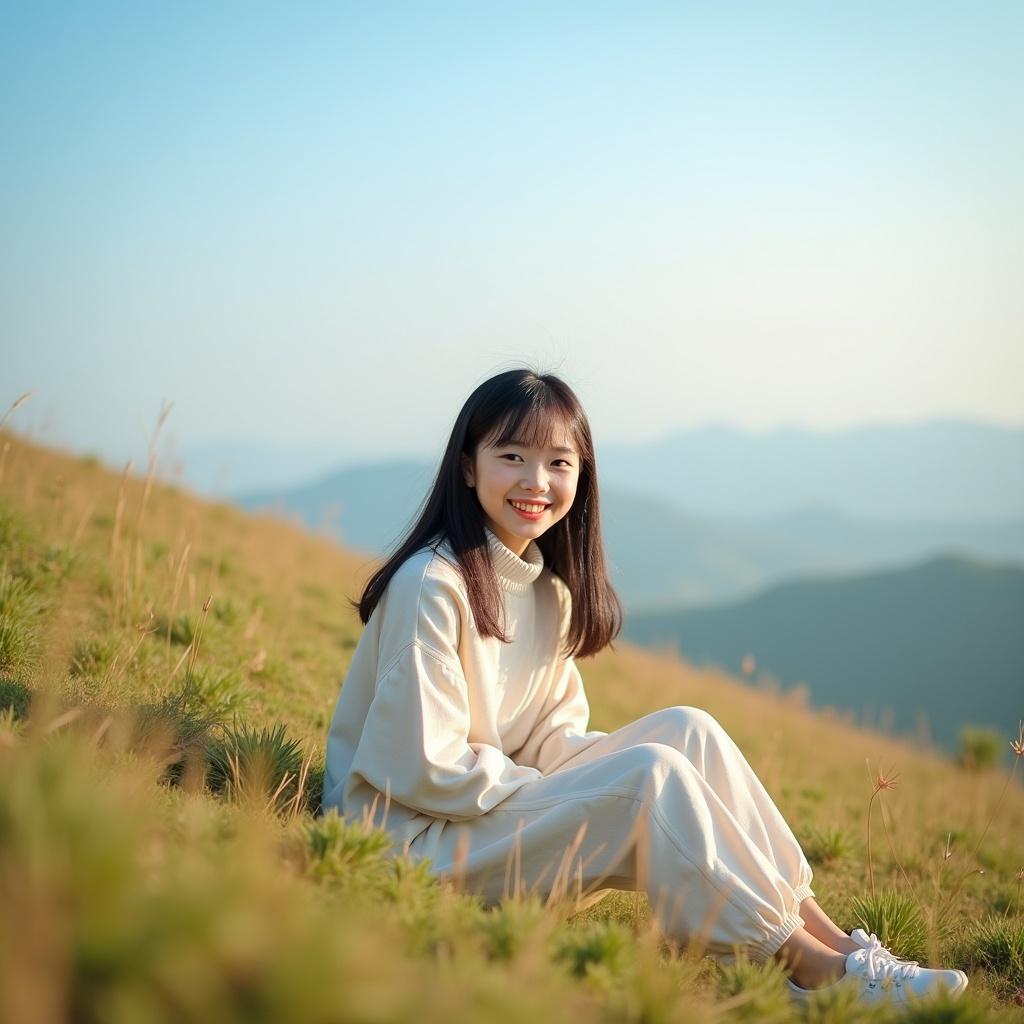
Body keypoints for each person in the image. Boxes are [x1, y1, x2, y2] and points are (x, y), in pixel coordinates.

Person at [321, 367, 968, 1008]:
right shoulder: (431, 585)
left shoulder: (548, 590)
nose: (535, 482)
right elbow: (427, 768)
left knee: (688, 730)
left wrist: (572, 786)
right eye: (511, 456)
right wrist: (569, 795)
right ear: (468, 467)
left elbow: (551, 735)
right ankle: (812, 975)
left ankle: (845, 950)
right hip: (411, 843)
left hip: (484, 815)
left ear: (582, 475)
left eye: (557, 462)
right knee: (649, 775)